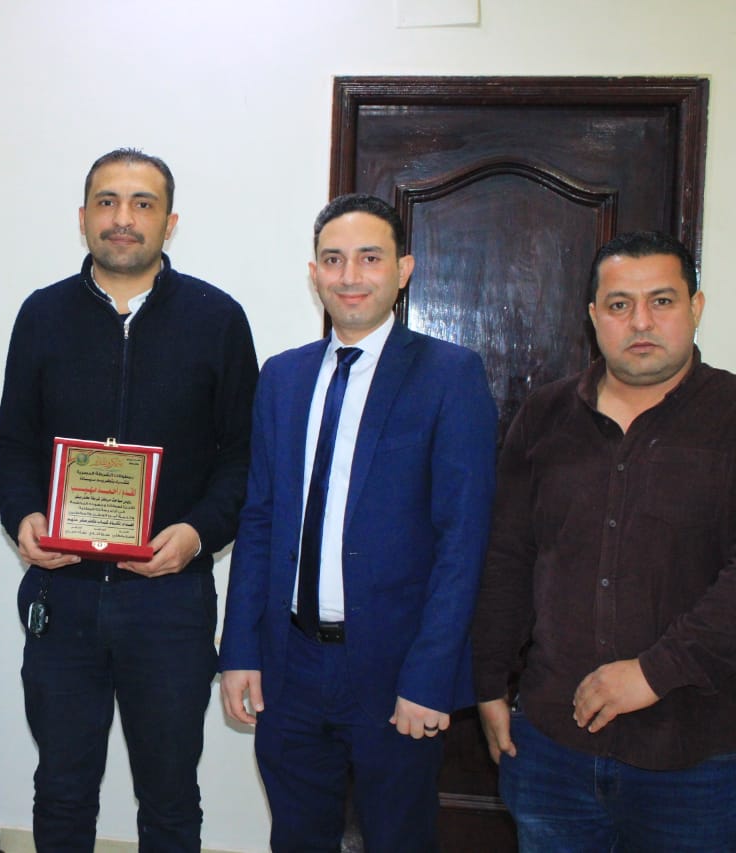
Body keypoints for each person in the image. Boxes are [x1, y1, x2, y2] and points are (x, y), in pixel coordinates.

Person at [0, 149, 258, 851]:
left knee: (169, 797)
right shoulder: (42, 314)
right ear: (83, 217)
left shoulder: (217, 318)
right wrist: (23, 515)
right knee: (62, 789)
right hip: (62, 596)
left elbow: (243, 458)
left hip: (169, 602)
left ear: (170, 222)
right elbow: (12, 444)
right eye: (107, 201)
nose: (123, 218)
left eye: (142, 203)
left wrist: (197, 534)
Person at [218, 194, 498, 852]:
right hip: (289, 663)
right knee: (297, 835)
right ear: (313, 272)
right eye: (333, 260)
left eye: (370, 259)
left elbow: (463, 542)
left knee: (399, 837)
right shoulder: (282, 377)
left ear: (404, 270)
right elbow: (259, 520)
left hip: (396, 668)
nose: (350, 276)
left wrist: (431, 676)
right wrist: (241, 651)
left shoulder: (450, 376)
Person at [473, 231, 736, 851]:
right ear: (593, 317)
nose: (640, 322)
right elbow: (509, 558)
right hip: (550, 749)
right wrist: (487, 684)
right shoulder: (544, 416)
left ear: (696, 306)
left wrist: (654, 672)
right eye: (620, 304)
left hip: (696, 760)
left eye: (661, 301)